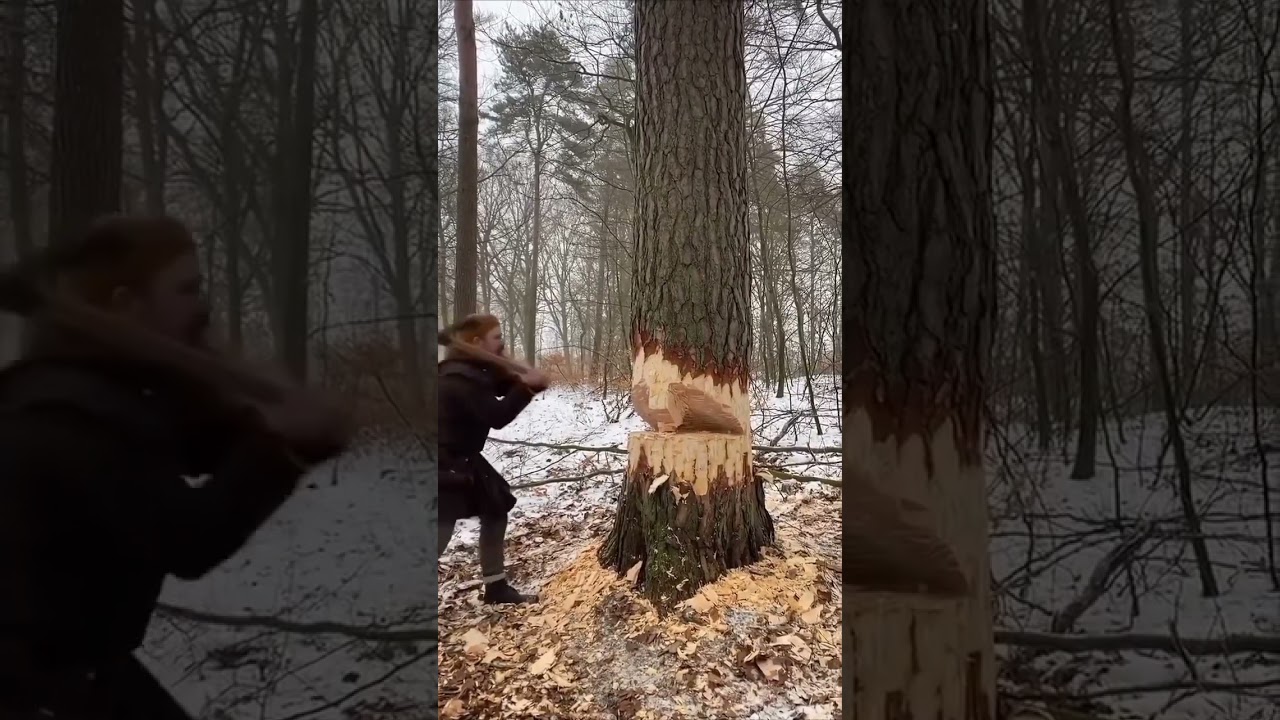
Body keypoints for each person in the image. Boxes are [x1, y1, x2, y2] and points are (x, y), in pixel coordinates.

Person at [0, 215, 353, 719]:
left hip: (83, 666)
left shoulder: (121, 386)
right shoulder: (65, 413)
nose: (202, 306)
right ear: (127, 305)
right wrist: (282, 448)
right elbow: (189, 538)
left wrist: (278, 421)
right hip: (28, 686)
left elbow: (207, 440)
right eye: (187, 290)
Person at [437, 313, 548, 605]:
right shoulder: (459, 378)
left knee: (496, 509)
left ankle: (496, 589)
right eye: (496, 338)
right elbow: (496, 416)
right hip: (442, 462)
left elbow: (502, 385)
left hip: (464, 458)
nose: (502, 342)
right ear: (477, 342)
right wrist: (527, 388)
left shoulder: (478, 368)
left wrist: (517, 375)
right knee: (438, 532)